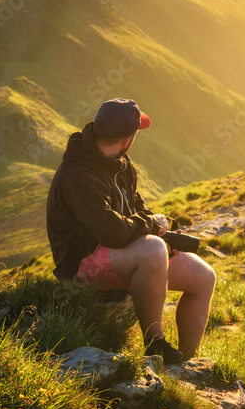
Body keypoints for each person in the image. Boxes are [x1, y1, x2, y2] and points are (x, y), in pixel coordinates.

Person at [46, 98, 216, 364]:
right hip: (82, 265)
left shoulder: (122, 164)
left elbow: (138, 210)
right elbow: (111, 232)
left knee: (204, 276)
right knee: (153, 249)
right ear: (128, 138)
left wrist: (163, 231)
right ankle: (155, 342)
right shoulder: (78, 174)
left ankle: (187, 364)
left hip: (123, 253)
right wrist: (152, 229)